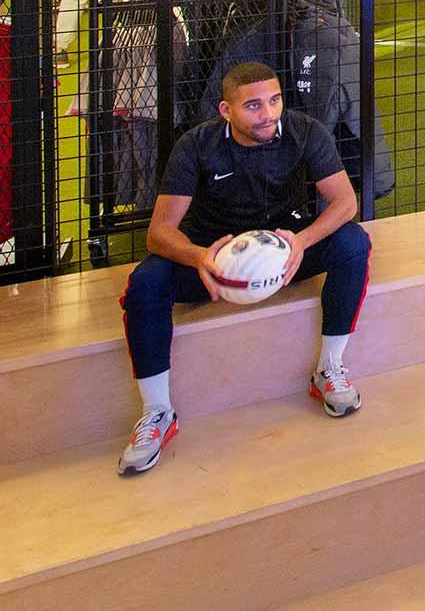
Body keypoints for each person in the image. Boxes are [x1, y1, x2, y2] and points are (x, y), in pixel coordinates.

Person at [117, 63, 371, 475]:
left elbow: (345, 202)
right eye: (253, 105)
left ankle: (330, 368)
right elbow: (159, 233)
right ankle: (157, 412)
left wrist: (301, 242)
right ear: (226, 110)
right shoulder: (196, 145)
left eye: (274, 100)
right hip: (215, 264)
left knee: (353, 243)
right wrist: (199, 257)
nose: (268, 114)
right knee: (146, 282)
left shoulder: (304, 131)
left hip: (285, 255)